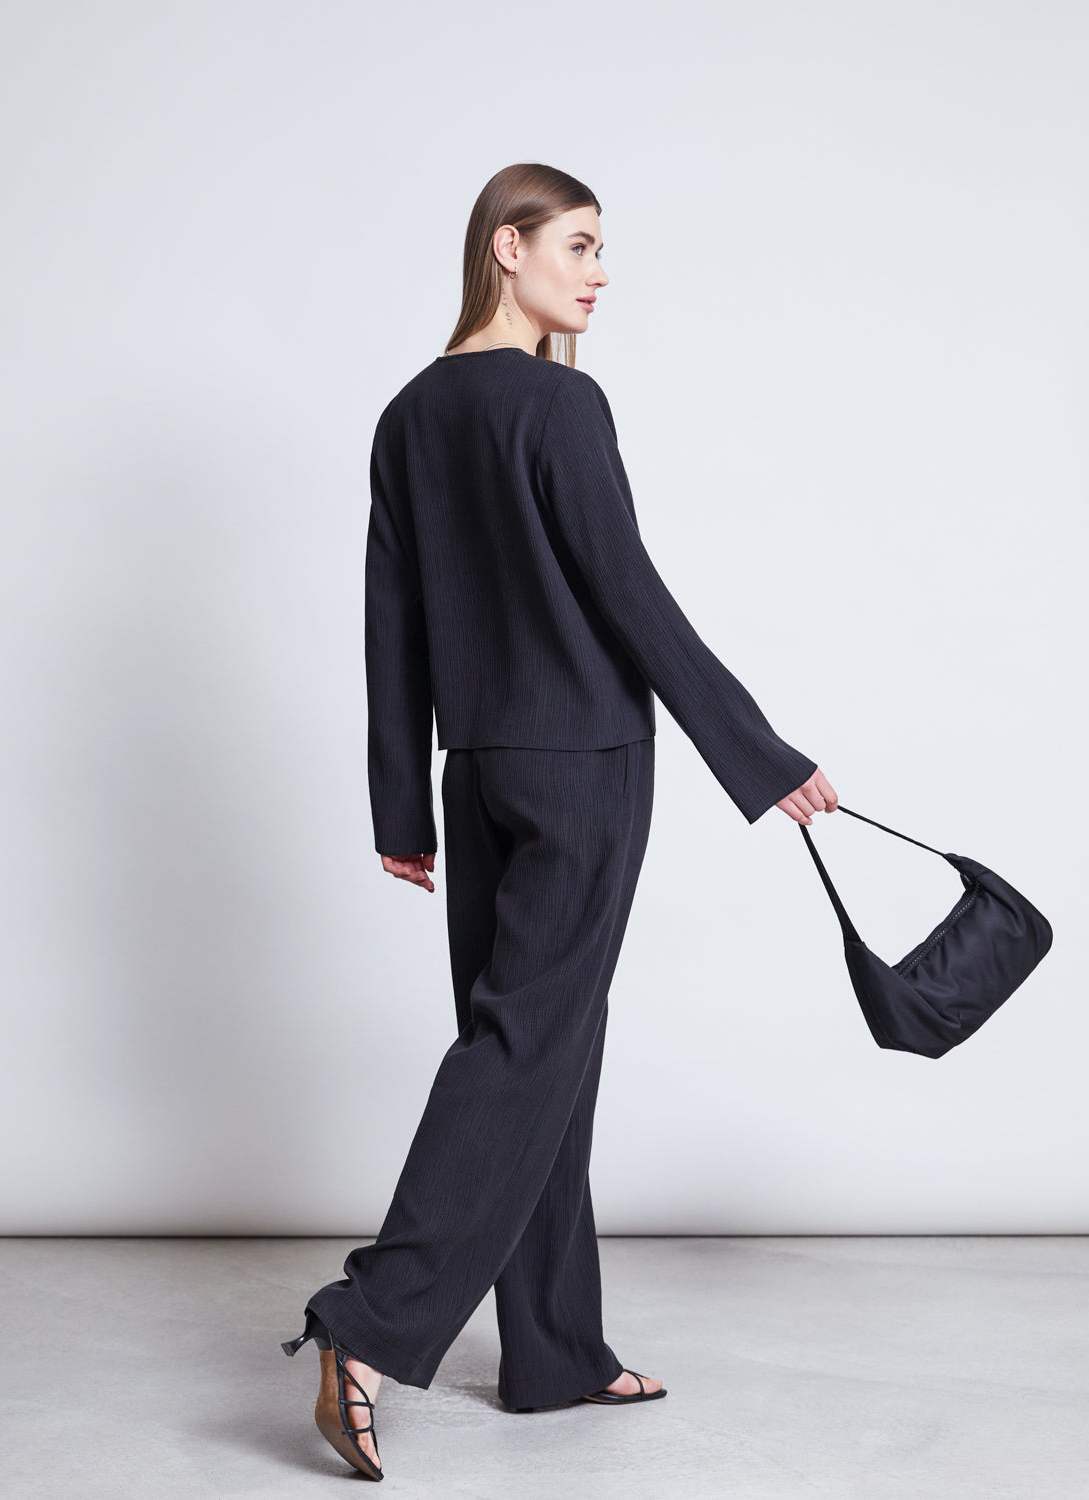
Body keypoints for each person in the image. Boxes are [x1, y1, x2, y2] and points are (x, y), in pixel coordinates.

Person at [282, 162, 838, 1482]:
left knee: (543, 1051)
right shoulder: (561, 403)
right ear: (507, 246)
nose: (597, 273)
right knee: (528, 1044)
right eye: (578, 245)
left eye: (600, 250)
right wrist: (755, 753)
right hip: (583, 765)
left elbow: (392, 620)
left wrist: (399, 801)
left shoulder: (410, 414)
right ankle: (372, 1319)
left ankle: (553, 1347)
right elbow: (627, 592)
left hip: (475, 769)